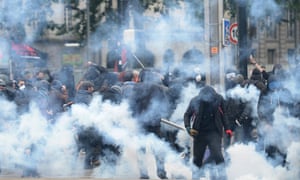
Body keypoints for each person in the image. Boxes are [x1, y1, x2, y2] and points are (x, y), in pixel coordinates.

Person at [183, 85, 232, 179]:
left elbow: (224, 114)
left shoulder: (219, 99)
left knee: (218, 157)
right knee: (197, 159)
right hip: (199, 133)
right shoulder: (195, 100)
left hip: (214, 132)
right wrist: (188, 127)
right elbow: (187, 115)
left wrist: (227, 128)